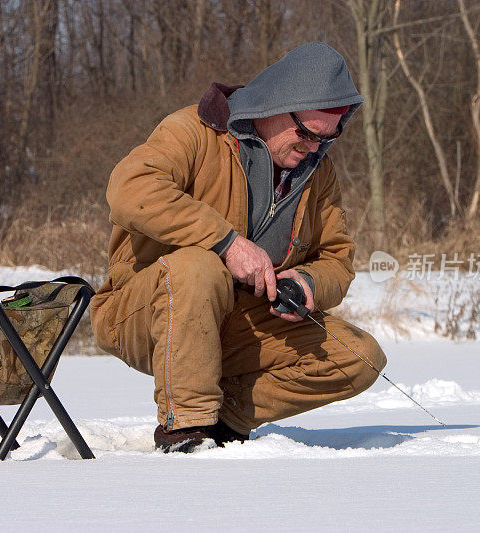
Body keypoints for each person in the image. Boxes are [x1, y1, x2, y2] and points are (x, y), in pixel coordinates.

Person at [90, 42, 387, 453]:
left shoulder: (319, 172)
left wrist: (307, 282)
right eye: (305, 134)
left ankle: (228, 420)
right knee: (200, 266)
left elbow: (337, 260)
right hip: (145, 311)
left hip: (240, 323)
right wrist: (227, 243)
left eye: (328, 138)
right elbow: (129, 189)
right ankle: (186, 431)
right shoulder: (191, 132)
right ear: (276, 105)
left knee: (360, 355)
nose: (314, 148)